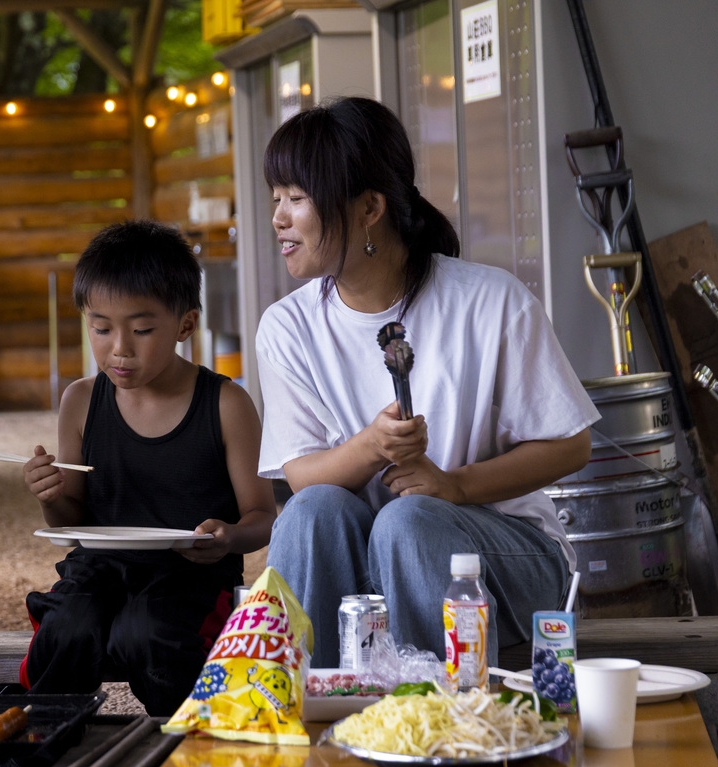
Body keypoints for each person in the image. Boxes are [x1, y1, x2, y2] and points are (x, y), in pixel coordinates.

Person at [256, 97, 599, 668]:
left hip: (505, 557)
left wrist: (454, 486)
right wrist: (371, 446)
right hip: (364, 556)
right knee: (311, 512)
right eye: (276, 199)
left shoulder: (490, 301)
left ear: (369, 207)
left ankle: (435, 723)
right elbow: (300, 474)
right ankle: (294, 710)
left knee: (408, 522)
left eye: (297, 198)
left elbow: (572, 445)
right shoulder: (287, 327)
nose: (279, 218)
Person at [18, 220, 277, 716]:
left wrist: (226, 536)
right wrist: (50, 494)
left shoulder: (224, 404)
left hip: (191, 576)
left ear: (184, 325)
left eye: (141, 330)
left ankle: (184, 744)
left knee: (149, 632)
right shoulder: (81, 402)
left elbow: (262, 516)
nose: (119, 348)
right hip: (98, 568)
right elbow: (70, 522)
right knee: (69, 626)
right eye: (100, 328)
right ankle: (43, 741)